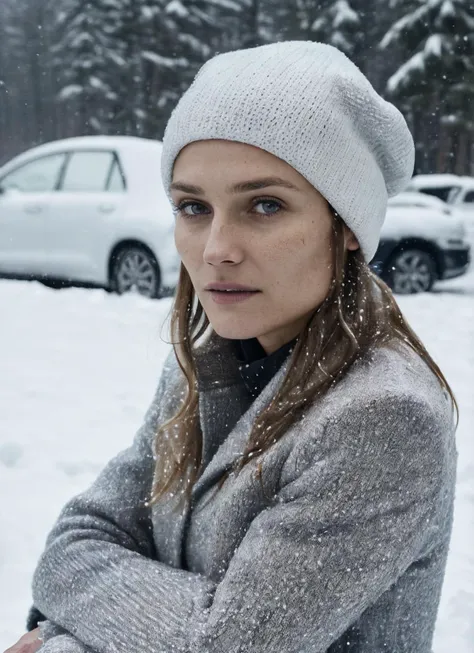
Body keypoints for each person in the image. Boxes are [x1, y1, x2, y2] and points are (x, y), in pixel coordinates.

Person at [5, 40, 457, 653]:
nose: (216, 247)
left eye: (264, 205)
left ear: (346, 225)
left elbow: (228, 646)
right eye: (193, 206)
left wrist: (71, 633)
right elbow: (82, 535)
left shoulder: (383, 417)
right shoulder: (206, 358)